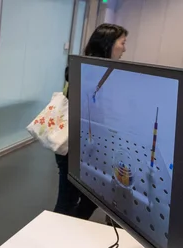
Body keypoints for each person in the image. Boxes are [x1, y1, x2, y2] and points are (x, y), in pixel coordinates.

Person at [54, 23, 128, 219]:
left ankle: (70, 228)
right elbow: (97, 111)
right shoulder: (92, 71)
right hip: (76, 146)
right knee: (68, 201)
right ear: (108, 44)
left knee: (88, 197)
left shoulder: (87, 67)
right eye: (122, 42)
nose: (124, 48)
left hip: (82, 145)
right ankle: (57, 235)